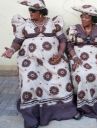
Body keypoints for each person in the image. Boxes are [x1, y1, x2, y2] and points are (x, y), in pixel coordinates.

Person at [2, 0, 77, 128]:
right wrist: (11, 50)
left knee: (62, 77)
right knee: (30, 80)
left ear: (41, 11)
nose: (30, 12)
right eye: (29, 10)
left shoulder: (53, 23)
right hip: (31, 60)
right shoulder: (24, 24)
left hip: (54, 60)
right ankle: (33, 114)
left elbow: (62, 40)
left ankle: (63, 110)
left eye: (33, 10)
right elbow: (17, 41)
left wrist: (59, 54)